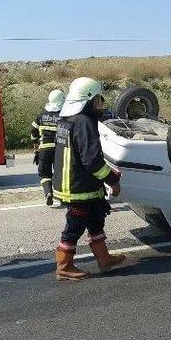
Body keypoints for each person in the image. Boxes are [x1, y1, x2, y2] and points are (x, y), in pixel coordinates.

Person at [52, 77, 124, 280]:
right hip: (79, 187)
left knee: (95, 220)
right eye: (98, 99)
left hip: (76, 184)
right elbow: (92, 161)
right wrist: (112, 179)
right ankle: (64, 266)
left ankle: (104, 260)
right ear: (88, 100)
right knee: (74, 226)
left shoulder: (67, 120)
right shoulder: (84, 122)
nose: (101, 104)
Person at [31, 89, 66, 206]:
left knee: (44, 173)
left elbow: (33, 130)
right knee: (60, 173)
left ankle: (48, 193)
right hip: (60, 149)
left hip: (44, 149)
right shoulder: (64, 114)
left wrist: (35, 143)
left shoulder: (42, 114)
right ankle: (62, 198)